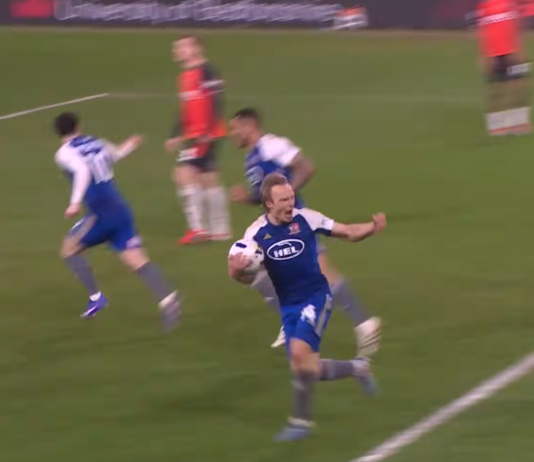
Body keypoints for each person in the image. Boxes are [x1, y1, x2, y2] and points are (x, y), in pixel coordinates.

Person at [228, 173, 386, 441]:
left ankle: (300, 422)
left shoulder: (307, 219)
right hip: (289, 305)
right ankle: (358, 367)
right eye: (283, 200)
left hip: (316, 297)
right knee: (307, 368)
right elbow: (245, 277)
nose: (290, 203)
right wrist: (236, 272)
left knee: (300, 354)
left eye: (291, 197)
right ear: (269, 203)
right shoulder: (254, 236)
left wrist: (371, 228)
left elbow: (347, 231)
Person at [229, 108, 381, 357]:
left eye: (234, 128)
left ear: (249, 126)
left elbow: (305, 167)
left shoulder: (272, 145)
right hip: (272, 225)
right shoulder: (251, 159)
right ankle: (291, 321)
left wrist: (287, 197)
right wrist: (246, 198)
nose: (232, 134)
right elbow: (263, 198)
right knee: (255, 270)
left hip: (295, 223)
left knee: (323, 274)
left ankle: (364, 323)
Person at [54, 112, 180, 331]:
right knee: (137, 260)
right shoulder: (95, 141)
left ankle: (96, 298)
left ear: (58, 133)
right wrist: (131, 144)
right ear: (78, 126)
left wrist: (74, 203)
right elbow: (117, 154)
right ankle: (168, 300)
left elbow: (82, 170)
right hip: (120, 210)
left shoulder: (64, 153)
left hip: (100, 215)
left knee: (68, 249)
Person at [165, 35, 231, 244]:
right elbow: (185, 110)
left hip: (204, 134)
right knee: (207, 177)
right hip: (196, 134)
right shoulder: (185, 76)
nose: (177, 51)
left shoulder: (207, 71)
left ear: (196, 49)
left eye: (182, 47)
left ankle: (197, 228)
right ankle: (220, 230)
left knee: (182, 174)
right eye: (177, 48)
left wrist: (207, 131)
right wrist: (175, 134)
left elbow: (217, 100)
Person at [475, 0, 530, 135]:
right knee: (495, 89)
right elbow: (482, 32)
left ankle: (519, 123)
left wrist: (520, 50)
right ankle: (497, 125)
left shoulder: (512, 4)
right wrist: (484, 56)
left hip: (512, 53)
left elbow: (517, 28)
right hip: (494, 55)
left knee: (520, 86)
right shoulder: (484, 6)